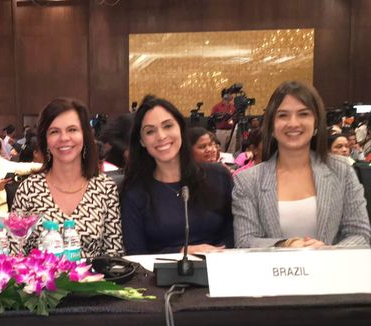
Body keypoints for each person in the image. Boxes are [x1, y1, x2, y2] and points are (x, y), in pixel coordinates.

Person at [232, 80, 370, 248]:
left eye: (303, 114)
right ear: (271, 125)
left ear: (316, 121)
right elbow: (245, 241)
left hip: (331, 264)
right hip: (273, 266)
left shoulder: (342, 170)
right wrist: (286, 245)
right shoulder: (247, 181)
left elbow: (360, 234)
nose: (293, 123)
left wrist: (328, 252)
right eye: (283, 115)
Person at [121, 95, 234, 254]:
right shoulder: (134, 192)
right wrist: (181, 252)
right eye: (150, 131)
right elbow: (136, 254)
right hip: (160, 269)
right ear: (141, 141)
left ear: (181, 128)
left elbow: (236, 232)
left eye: (168, 126)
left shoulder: (219, 176)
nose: (161, 136)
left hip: (222, 264)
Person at [12, 97, 124, 258]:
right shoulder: (29, 189)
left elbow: (114, 254)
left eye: (72, 129)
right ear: (45, 140)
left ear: (84, 135)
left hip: (92, 274)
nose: (64, 138)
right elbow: (15, 252)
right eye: (54, 131)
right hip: (39, 274)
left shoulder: (105, 188)